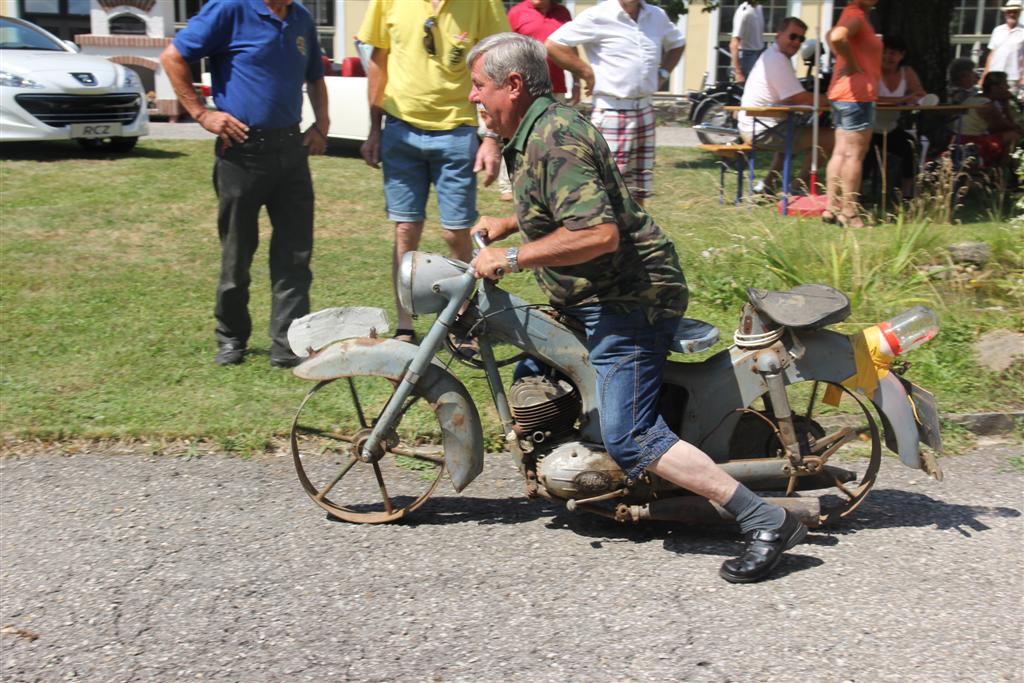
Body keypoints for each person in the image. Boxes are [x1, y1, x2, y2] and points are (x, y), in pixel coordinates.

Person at [467, 32, 807, 584]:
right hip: (597, 292)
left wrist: (512, 254)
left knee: (630, 434)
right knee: (536, 360)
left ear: (513, 84)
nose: (473, 98)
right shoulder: (535, 130)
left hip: (629, 297)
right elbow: (578, 208)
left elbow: (598, 233)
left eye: (480, 87)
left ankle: (763, 518)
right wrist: (510, 223)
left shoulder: (554, 137)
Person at [160, 0, 329, 368]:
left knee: (295, 255)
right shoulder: (230, 9)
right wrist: (202, 114)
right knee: (237, 254)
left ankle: (288, 345)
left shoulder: (300, 17)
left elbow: (315, 75)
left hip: (291, 149)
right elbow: (173, 57)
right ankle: (232, 337)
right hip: (241, 151)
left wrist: (322, 124)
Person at [356, 0, 509, 344]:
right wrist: (374, 129)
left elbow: (498, 66)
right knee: (405, 231)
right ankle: (405, 326)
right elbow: (378, 62)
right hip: (401, 128)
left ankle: (461, 318)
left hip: (457, 131)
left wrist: (491, 138)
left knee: (456, 233)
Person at [545, 0, 685, 206]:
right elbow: (554, 44)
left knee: (640, 186)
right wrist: (585, 72)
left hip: (645, 109)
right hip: (611, 110)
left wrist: (663, 73)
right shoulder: (599, 15)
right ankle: (606, 235)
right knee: (609, 184)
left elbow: (677, 43)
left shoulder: (656, 15)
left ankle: (635, 234)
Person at [737, 16, 834, 194]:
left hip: (756, 125)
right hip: (761, 129)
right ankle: (798, 186)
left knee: (797, 132)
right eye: (793, 36)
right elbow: (800, 98)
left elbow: (791, 98)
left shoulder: (773, 56)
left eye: (801, 38)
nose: (797, 42)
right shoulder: (777, 60)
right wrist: (833, 99)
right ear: (778, 35)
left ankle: (767, 185)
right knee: (830, 138)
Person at [498, 0, 579, 201]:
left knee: (554, 135)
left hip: (556, 86)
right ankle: (507, 183)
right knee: (517, 133)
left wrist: (577, 80)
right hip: (525, 88)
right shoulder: (517, 12)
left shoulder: (563, 13)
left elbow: (571, 49)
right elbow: (504, 49)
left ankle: (550, 180)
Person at [824, 0, 882, 228]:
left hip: (841, 94)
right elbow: (837, 36)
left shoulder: (851, 13)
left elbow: (831, 35)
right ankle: (848, 211)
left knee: (840, 152)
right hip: (857, 95)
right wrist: (851, 62)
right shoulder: (856, 15)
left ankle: (830, 208)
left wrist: (847, 59)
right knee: (854, 155)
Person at [867, 35, 926, 200]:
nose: (888, 57)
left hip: (890, 129)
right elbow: (872, 98)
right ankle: (859, 195)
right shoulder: (872, 72)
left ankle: (908, 194)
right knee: (865, 154)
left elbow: (920, 93)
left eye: (893, 53)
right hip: (868, 128)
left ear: (902, 55)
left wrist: (916, 99)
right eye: (884, 53)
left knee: (910, 147)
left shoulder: (907, 72)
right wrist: (902, 100)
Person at [959, 71, 1024, 169]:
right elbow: (1003, 127)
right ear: (994, 88)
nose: (1008, 88)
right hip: (970, 142)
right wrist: (1006, 105)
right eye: (1005, 84)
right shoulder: (987, 105)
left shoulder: (975, 98)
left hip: (961, 139)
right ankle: (1003, 170)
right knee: (1014, 136)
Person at [982, 0, 1023, 97]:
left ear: (1019, 13)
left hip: (1012, 77)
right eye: (1009, 12)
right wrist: (985, 73)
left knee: (1009, 104)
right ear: (1005, 13)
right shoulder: (997, 30)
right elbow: (992, 54)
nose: (1012, 14)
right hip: (993, 75)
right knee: (991, 101)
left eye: (1015, 12)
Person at [730, 0, 765, 84]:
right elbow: (733, 44)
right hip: (747, 57)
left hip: (760, 54)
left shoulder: (759, 8)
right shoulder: (743, 13)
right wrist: (738, 72)